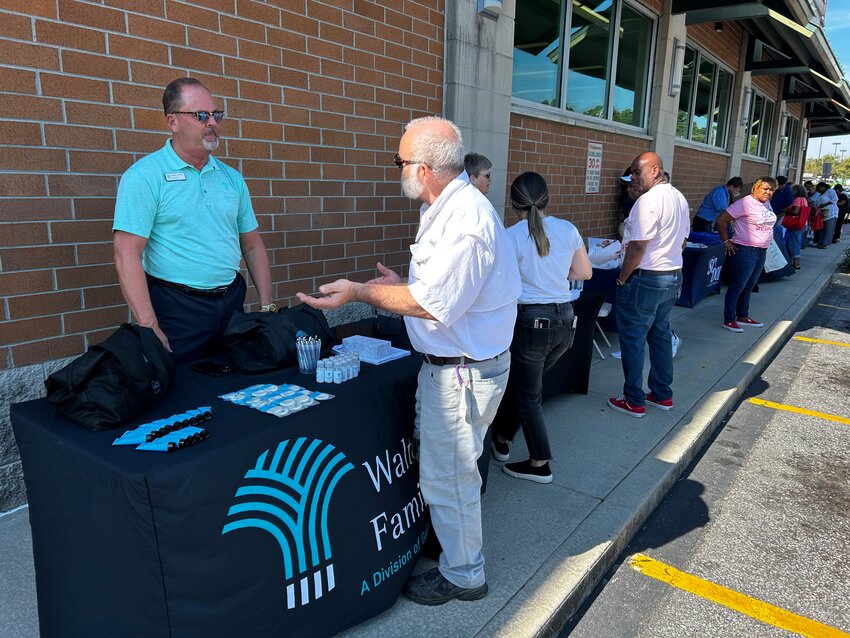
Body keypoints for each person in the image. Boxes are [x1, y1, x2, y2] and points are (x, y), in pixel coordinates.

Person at [297, 116, 521, 605]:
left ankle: (464, 574)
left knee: (451, 475)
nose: (395, 168)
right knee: (448, 471)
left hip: (461, 372)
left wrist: (362, 292)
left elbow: (432, 304)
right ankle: (455, 551)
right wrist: (401, 284)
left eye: (399, 161)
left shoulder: (465, 221)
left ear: (422, 169)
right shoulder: (448, 207)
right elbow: (440, 290)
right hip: (457, 365)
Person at [112, 78, 274, 363]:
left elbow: (251, 245)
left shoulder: (231, 178)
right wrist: (149, 326)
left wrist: (266, 306)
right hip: (177, 308)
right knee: (181, 393)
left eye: (216, 114)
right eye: (200, 115)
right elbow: (126, 254)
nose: (212, 122)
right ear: (172, 122)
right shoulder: (144, 177)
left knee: (236, 383)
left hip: (232, 302)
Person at [490, 172, 592, 484]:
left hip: (531, 323)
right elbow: (584, 272)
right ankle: (503, 438)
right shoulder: (568, 229)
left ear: (513, 202)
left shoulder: (510, 236)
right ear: (546, 198)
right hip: (565, 322)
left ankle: (539, 462)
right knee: (526, 388)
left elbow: (498, 283)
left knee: (527, 395)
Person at [607, 152, 689, 418]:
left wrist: (622, 278)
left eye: (636, 172)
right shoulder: (678, 197)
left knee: (633, 339)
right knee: (660, 335)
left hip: (646, 277)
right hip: (672, 275)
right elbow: (683, 241)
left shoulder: (648, 201)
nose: (633, 178)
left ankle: (634, 400)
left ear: (654, 171)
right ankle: (662, 394)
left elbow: (639, 245)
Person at [716, 177, 777, 333]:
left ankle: (742, 315)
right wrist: (725, 241)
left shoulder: (766, 203)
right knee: (737, 286)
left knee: (749, 286)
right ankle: (729, 319)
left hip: (761, 251)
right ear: (754, 189)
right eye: (765, 189)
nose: (768, 192)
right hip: (744, 250)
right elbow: (721, 220)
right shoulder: (744, 203)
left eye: (771, 189)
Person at [782, 184, 809, 270]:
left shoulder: (797, 199)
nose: (791, 192)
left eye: (793, 190)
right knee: (796, 242)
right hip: (802, 224)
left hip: (795, 224)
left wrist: (786, 211)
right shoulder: (804, 199)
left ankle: (796, 263)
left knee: (793, 243)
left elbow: (796, 211)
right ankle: (794, 262)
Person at [815, 181, 838, 249]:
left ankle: (825, 243)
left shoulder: (830, 191)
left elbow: (835, 199)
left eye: (819, 188)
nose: (818, 190)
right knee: (822, 228)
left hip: (831, 212)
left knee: (828, 228)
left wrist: (825, 204)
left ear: (823, 187)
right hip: (823, 213)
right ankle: (820, 242)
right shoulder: (820, 195)